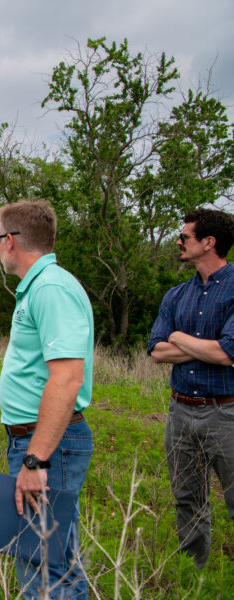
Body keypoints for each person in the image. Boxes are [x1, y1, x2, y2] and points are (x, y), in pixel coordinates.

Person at [0, 200, 94, 599]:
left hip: (48, 444)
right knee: (48, 557)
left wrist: (36, 460)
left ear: (11, 241)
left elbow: (67, 378)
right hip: (36, 440)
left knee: (46, 567)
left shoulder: (51, 288)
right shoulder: (38, 287)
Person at [147, 208, 234, 570]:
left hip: (225, 412)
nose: (179, 241)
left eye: (185, 236)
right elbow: (155, 351)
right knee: (187, 497)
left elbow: (227, 353)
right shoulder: (176, 295)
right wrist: (203, 347)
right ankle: (192, 575)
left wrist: (179, 338)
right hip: (180, 411)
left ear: (208, 242)